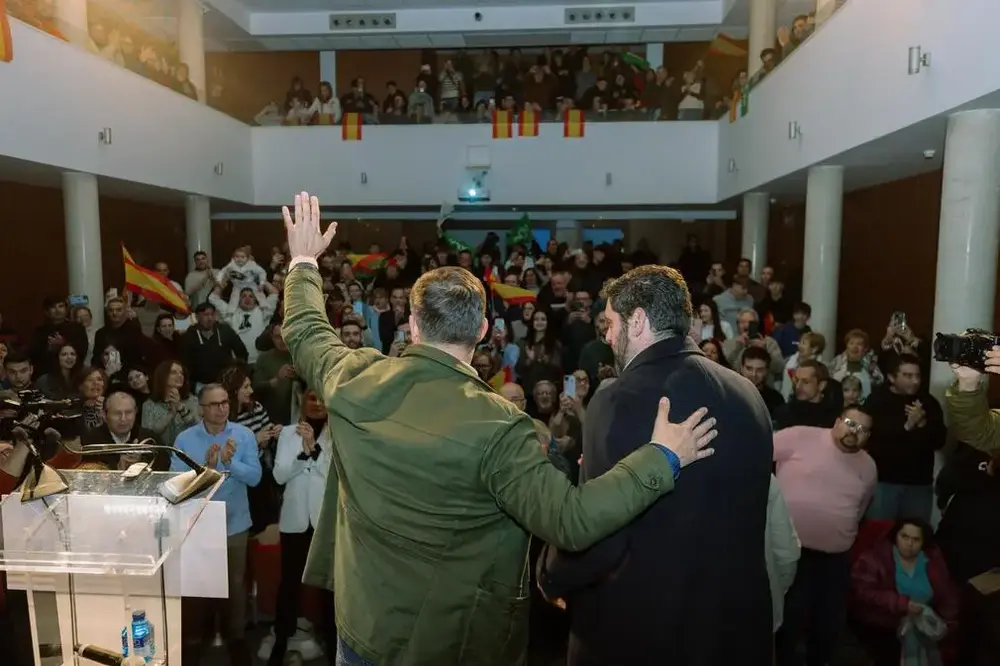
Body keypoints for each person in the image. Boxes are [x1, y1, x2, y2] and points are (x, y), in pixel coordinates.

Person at [279, 191, 719, 665]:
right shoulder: (500, 425)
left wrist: (303, 260)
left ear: (411, 325)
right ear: (484, 331)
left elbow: (305, 329)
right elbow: (571, 521)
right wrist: (662, 456)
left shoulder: (353, 378)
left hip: (360, 632)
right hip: (452, 646)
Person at [537, 265, 775, 666]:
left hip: (642, 631)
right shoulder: (747, 392)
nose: (607, 335)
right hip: (734, 630)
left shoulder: (617, 398)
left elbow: (600, 533)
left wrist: (551, 575)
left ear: (638, 320)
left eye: (611, 323)